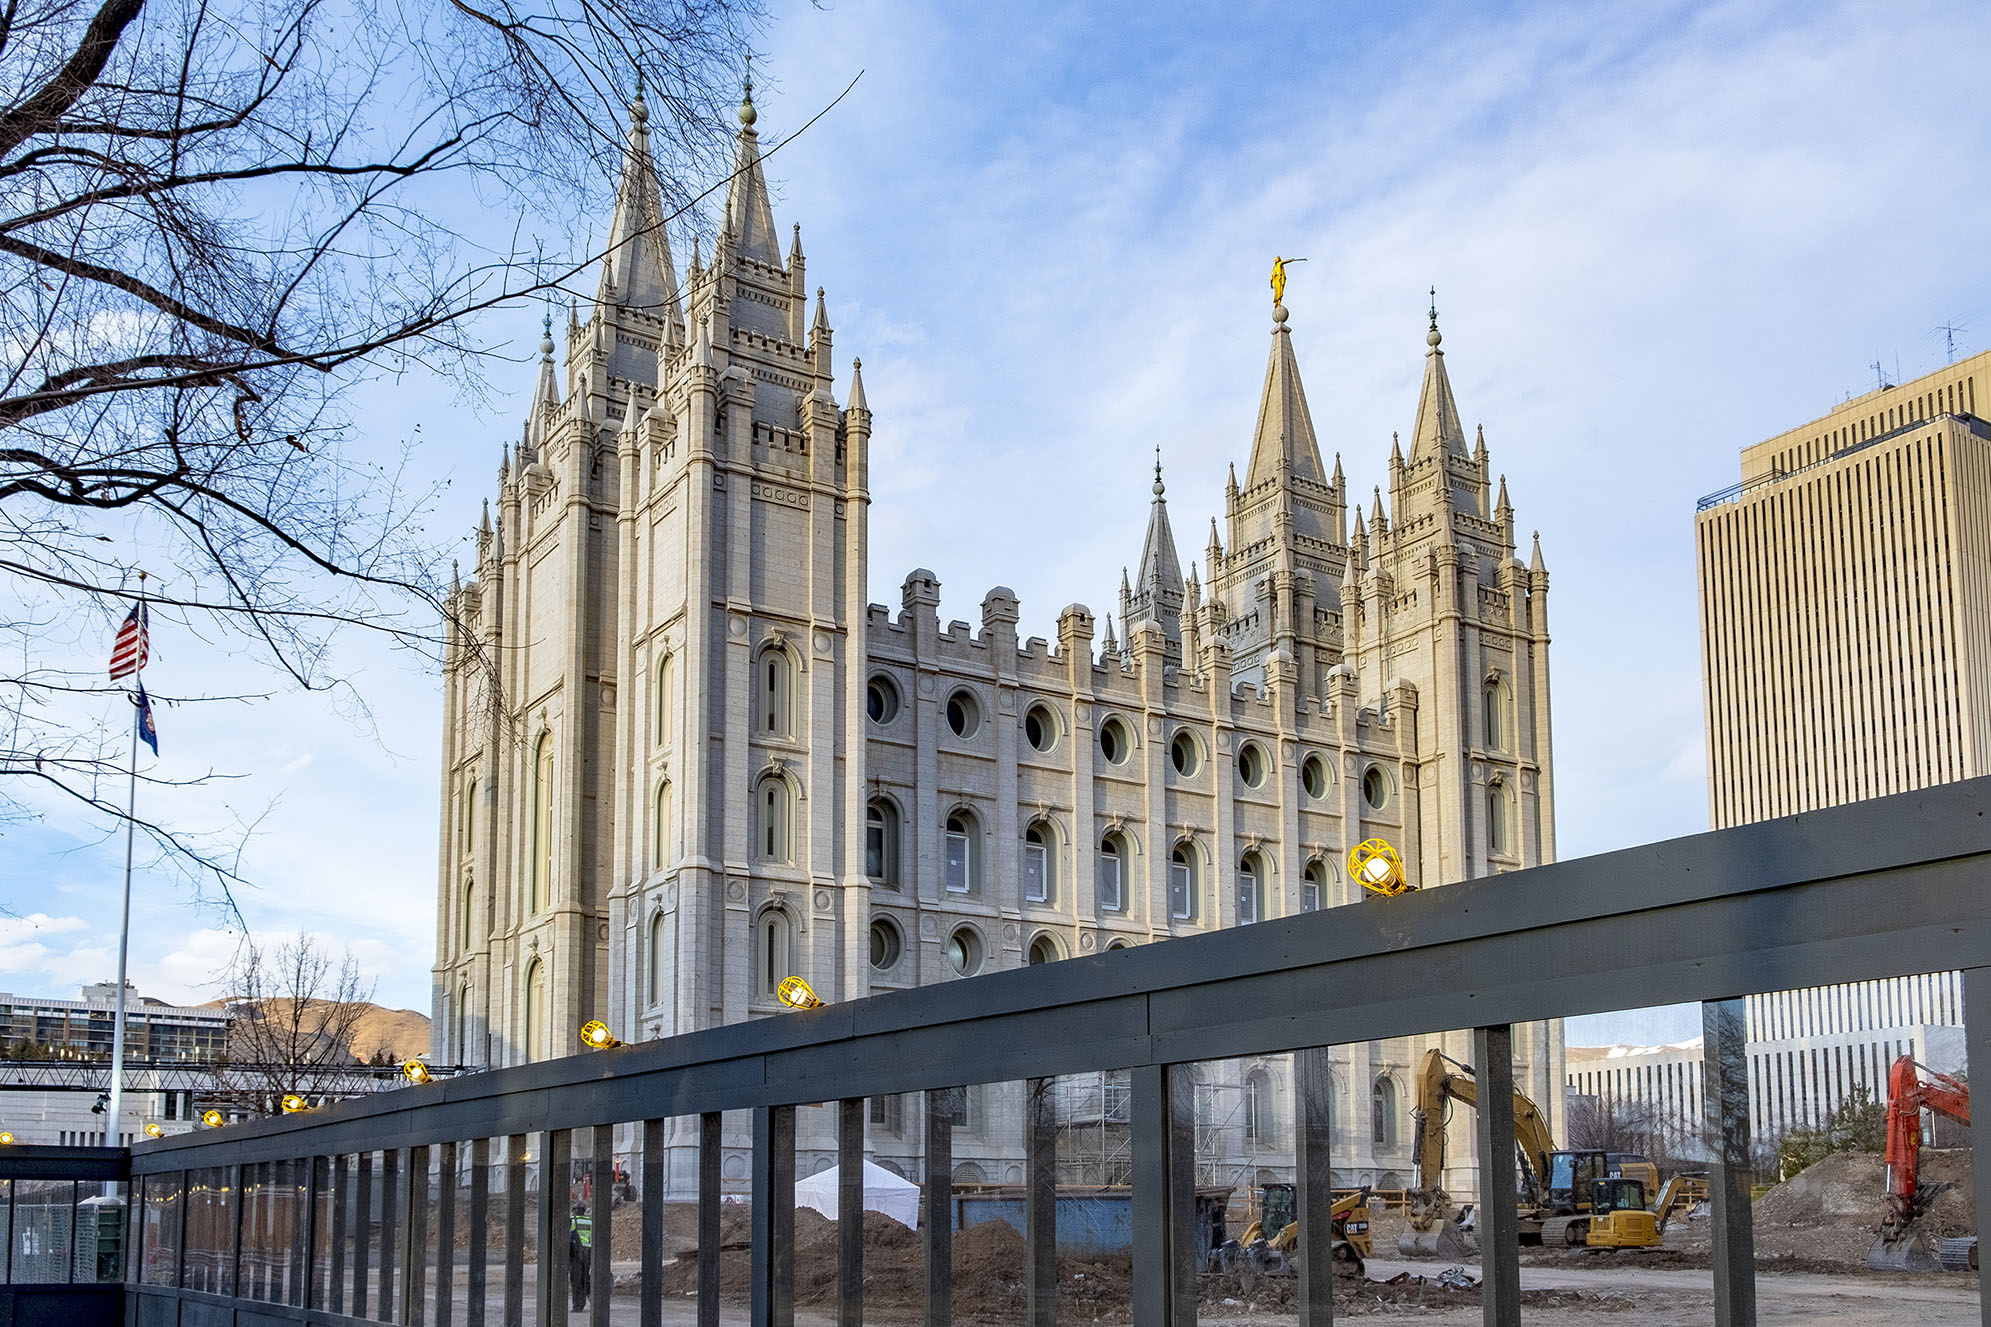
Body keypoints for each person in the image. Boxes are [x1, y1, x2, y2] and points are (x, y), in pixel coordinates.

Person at [568, 1201, 593, 1311]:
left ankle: (577, 1305)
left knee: (576, 1280)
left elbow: (569, 1238)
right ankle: (582, 1303)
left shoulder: (572, 1221)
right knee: (584, 1278)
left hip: (576, 1254)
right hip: (587, 1253)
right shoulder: (590, 1221)